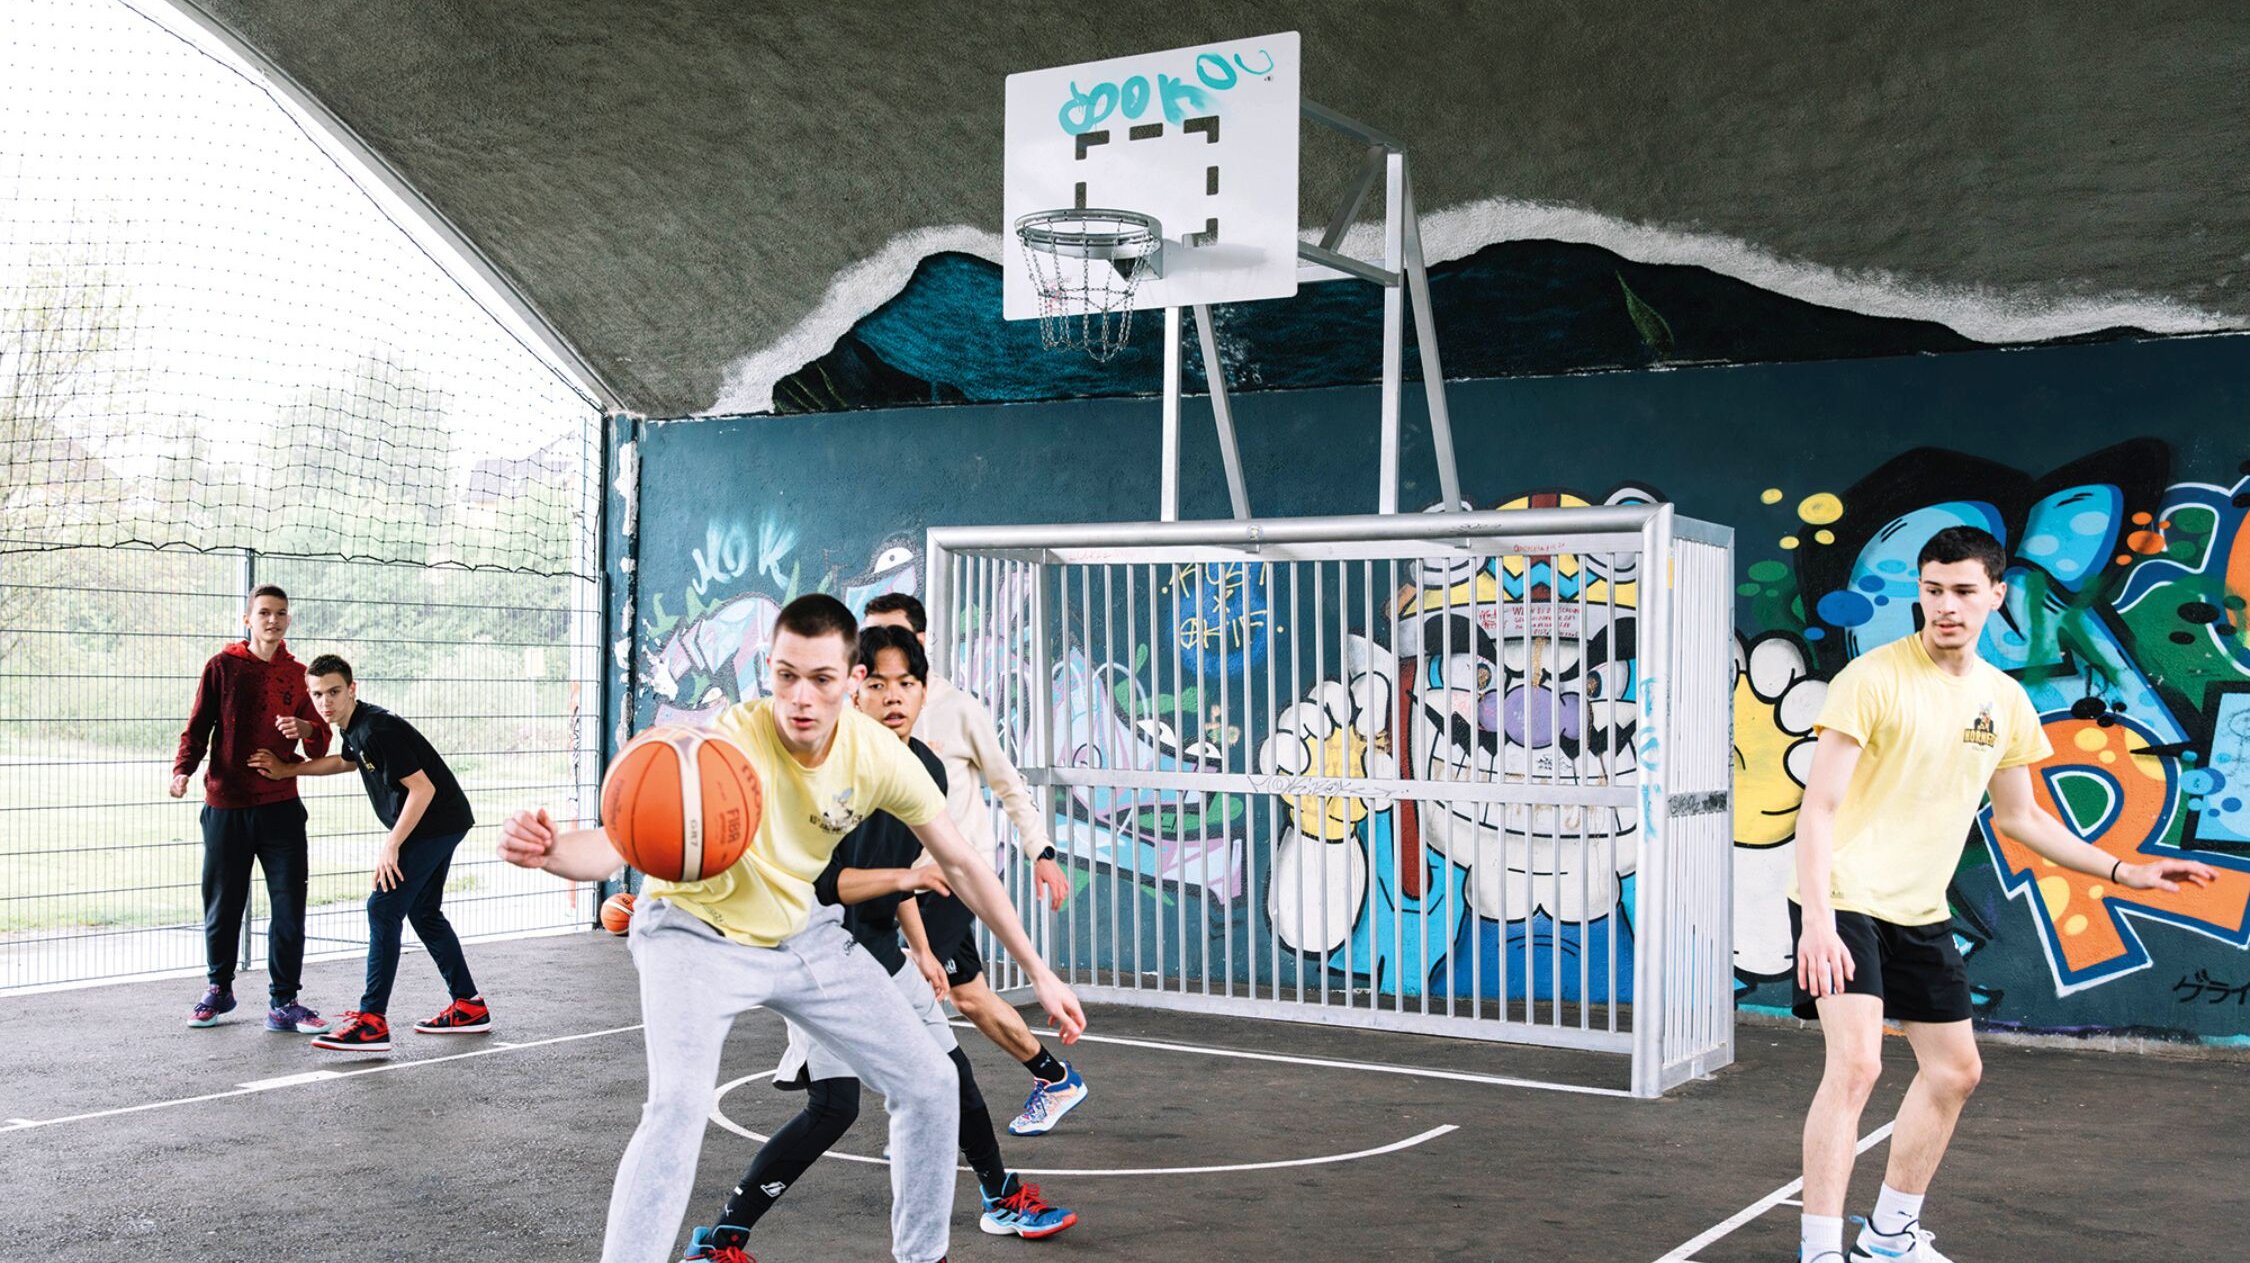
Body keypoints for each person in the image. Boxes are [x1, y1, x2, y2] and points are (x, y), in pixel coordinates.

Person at [498, 595, 1085, 1263]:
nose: (801, 697)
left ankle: (924, 1256)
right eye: (785, 676)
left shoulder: (879, 757)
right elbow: (617, 841)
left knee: (930, 1082)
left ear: (852, 680)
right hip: (694, 932)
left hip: (801, 933)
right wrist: (551, 852)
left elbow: (962, 860)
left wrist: (1038, 970)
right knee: (677, 1107)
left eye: (822, 679)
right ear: (770, 671)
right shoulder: (727, 743)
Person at [1789, 526, 2216, 1263]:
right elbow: (1818, 807)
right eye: (1931, 590)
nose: (1945, 606)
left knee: (1957, 1070)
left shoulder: (2005, 699)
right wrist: (1818, 920)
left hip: (1919, 907)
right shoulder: (1873, 679)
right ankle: (1821, 1250)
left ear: (1995, 593)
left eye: (1961, 591)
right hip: (1844, 896)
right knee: (1856, 1065)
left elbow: (2021, 816)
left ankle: (1889, 1238)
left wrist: (2125, 870)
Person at [679, 625, 1074, 1263]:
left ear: (924, 693)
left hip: (885, 955)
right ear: (857, 689)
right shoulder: (829, 767)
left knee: (947, 1072)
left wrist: (918, 945)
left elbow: (916, 868)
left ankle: (1000, 1196)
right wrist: (905, 882)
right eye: (880, 682)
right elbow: (832, 884)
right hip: (815, 956)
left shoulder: (922, 766)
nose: (895, 697)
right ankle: (722, 1237)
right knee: (834, 1106)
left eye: (908, 684)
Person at [862, 593, 1089, 1136]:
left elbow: (1008, 785)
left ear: (918, 643)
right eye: (867, 645)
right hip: (900, 882)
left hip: (955, 880)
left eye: (890, 639)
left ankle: (930, 1121)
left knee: (905, 996)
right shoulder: (861, 714)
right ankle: (1054, 1077)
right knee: (970, 995)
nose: (876, 656)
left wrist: (1043, 852)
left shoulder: (957, 708)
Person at [249, 654, 489, 1052]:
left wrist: (391, 845)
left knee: (383, 907)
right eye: (318, 694)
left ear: (352, 690)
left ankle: (372, 1021)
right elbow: (346, 762)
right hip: (443, 821)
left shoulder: (377, 728)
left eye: (334, 692)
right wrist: (289, 771)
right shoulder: (355, 727)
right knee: (423, 913)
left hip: (435, 823)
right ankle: (469, 1006)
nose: (326, 702)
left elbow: (423, 789)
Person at [170, 583, 333, 1034]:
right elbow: (198, 726)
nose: (272, 620)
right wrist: (183, 770)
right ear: (248, 619)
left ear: (288, 620)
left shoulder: (299, 676)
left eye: (280, 613)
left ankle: (284, 1002)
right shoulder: (223, 667)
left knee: (288, 905)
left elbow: (321, 738)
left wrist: (304, 727)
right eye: (263, 613)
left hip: (281, 808)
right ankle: (218, 989)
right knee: (224, 903)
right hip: (226, 805)